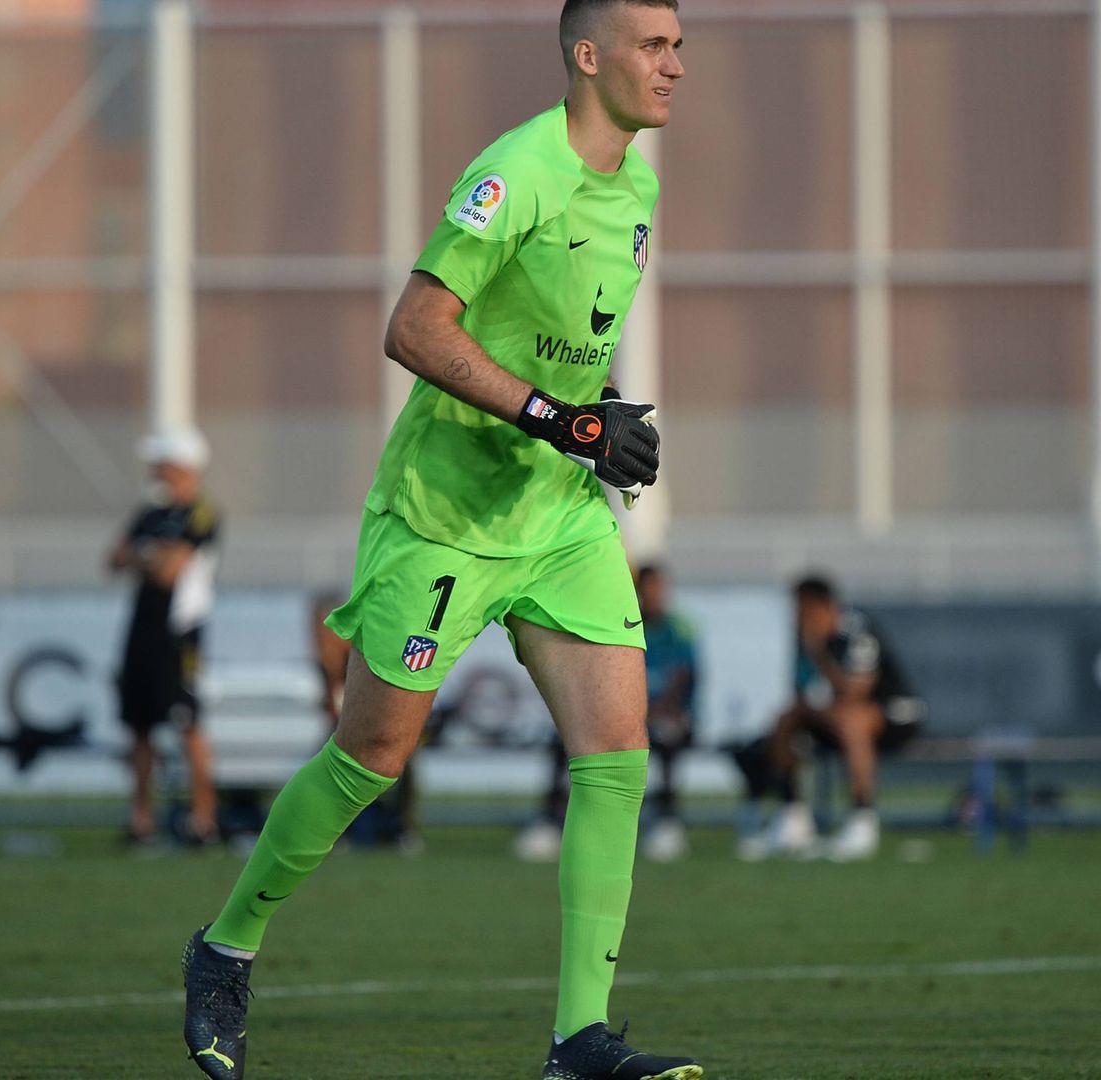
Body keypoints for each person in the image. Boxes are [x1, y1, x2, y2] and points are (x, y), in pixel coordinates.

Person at [179, 4, 699, 1078]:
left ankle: (580, 1041)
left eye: (679, 46)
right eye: (654, 47)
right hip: (445, 515)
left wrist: (594, 421)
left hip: (554, 516)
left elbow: (561, 353)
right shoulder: (517, 172)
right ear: (587, 56)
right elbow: (414, 328)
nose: (675, 66)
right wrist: (563, 420)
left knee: (616, 754)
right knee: (374, 753)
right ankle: (225, 947)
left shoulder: (637, 187)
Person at [516, 563, 699, 863]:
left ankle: (667, 821)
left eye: (659, 588)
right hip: (625, 714)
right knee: (562, 740)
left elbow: (684, 681)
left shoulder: (678, 629)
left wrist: (646, 713)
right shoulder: (619, 621)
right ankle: (551, 821)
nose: (653, 595)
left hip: (665, 715)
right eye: (648, 588)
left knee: (666, 738)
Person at [744, 575, 925, 863]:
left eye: (802, 609)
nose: (797, 617)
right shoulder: (803, 637)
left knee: (851, 720)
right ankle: (793, 817)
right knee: (786, 719)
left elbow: (854, 692)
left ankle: (862, 820)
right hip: (838, 716)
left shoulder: (856, 630)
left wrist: (818, 652)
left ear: (823, 607)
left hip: (894, 716)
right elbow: (803, 690)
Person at [107, 428, 221, 847]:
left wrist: (146, 555)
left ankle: (203, 821)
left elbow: (170, 570)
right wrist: (150, 556)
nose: (154, 469)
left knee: (187, 723)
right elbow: (114, 559)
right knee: (138, 726)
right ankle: (141, 821)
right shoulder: (150, 513)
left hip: (179, 637)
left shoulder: (201, 512)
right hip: (141, 631)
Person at [311, 593, 421, 853]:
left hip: (383, 720)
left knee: (401, 758)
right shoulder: (326, 661)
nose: (322, 635)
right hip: (349, 728)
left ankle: (398, 827)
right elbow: (331, 702)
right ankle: (339, 830)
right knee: (331, 757)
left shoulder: (369, 649)